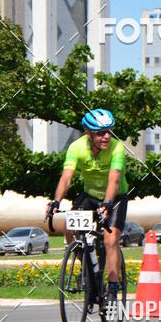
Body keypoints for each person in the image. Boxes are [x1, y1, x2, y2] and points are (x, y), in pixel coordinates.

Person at [45, 108, 128, 310]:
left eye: (109, 131)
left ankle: (113, 288)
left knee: (110, 240)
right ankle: (88, 270)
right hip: (90, 195)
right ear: (88, 133)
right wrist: (56, 202)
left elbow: (115, 179)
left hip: (115, 197)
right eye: (101, 133)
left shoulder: (117, 148)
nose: (106, 136)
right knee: (69, 228)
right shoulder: (76, 147)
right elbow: (67, 177)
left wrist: (107, 203)